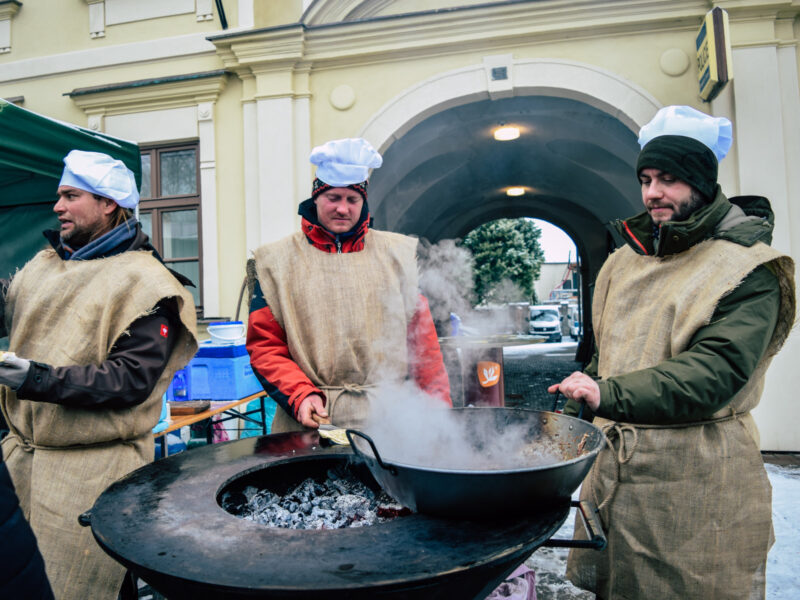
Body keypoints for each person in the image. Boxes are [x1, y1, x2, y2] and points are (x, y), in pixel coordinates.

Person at [548, 105, 796, 599]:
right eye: (646, 178)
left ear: (702, 182)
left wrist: (605, 393)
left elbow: (716, 372)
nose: (652, 193)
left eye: (670, 178)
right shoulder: (625, 261)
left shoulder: (751, 269)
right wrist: (574, 410)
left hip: (697, 482)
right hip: (617, 475)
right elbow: (606, 355)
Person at [0, 150, 198, 600]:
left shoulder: (147, 283)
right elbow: (11, 309)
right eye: (59, 196)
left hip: (93, 475)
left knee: (83, 589)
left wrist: (34, 379)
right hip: (23, 464)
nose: (57, 207)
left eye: (71, 196)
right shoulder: (46, 263)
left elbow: (128, 381)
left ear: (108, 203)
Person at [247, 138, 451, 432]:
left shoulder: (398, 256)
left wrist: (438, 414)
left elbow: (424, 349)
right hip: (310, 421)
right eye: (334, 197)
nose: (343, 208)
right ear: (316, 197)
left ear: (363, 201)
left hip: (390, 421)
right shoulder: (274, 263)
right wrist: (301, 394)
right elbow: (266, 347)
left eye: (352, 199)